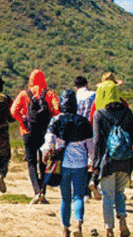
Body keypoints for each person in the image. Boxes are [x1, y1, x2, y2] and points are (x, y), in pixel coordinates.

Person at [91, 77, 133, 237]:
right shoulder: (127, 111)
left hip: (107, 162)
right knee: (119, 192)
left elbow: (97, 141)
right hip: (126, 161)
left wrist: (95, 164)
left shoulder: (99, 114)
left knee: (107, 196)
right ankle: (123, 219)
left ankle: (109, 229)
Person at [42, 89, 93, 237]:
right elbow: (91, 146)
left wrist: (46, 155)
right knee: (78, 196)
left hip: (62, 165)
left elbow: (49, 142)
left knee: (65, 198)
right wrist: (91, 161)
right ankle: (78, 223)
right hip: (81, 165)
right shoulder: (83, 122)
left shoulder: (55, 121)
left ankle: (65, 229)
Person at [11, 69, 61, 203]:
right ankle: (43, 191)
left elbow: (13, 111)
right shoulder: (49, 94)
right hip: (44, 132)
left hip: (28, 131)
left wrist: (23, 119)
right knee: (43, 162)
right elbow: (57, 110)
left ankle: (36, 191)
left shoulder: (24, 94)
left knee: (31, 162)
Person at [74, 75, 101, 200]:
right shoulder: (94, 95)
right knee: (92, 159)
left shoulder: (74, 98)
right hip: (92, 130)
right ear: (87, 85)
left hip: (78, 132)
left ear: (75, 87)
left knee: (81, 161)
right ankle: (92, 183)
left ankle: (84, 192)